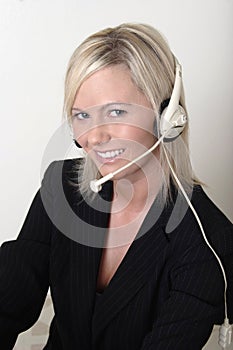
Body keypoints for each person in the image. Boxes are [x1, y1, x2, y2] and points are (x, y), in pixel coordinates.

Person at [0, 23, 232, 350]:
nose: (94, 136)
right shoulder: (60, 189)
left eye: (116, 111)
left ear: (168, 117)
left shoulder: (208, 241)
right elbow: (9, 299)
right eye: (82, 115)